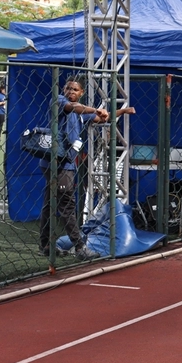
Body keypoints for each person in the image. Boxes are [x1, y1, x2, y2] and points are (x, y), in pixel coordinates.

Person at [38, 77, 135, 260]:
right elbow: (75, 108)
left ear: (81, 92)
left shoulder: (82, 112)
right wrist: (95, 109)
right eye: (68, 88)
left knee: (49, 204)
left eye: (75, 89)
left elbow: (102, 117)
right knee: (67, 204)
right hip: (56, 163)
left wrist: (124, 110)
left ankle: (44, 245)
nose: (70, 92)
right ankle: (80, 247)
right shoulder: (59, 101)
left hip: (64, 163)